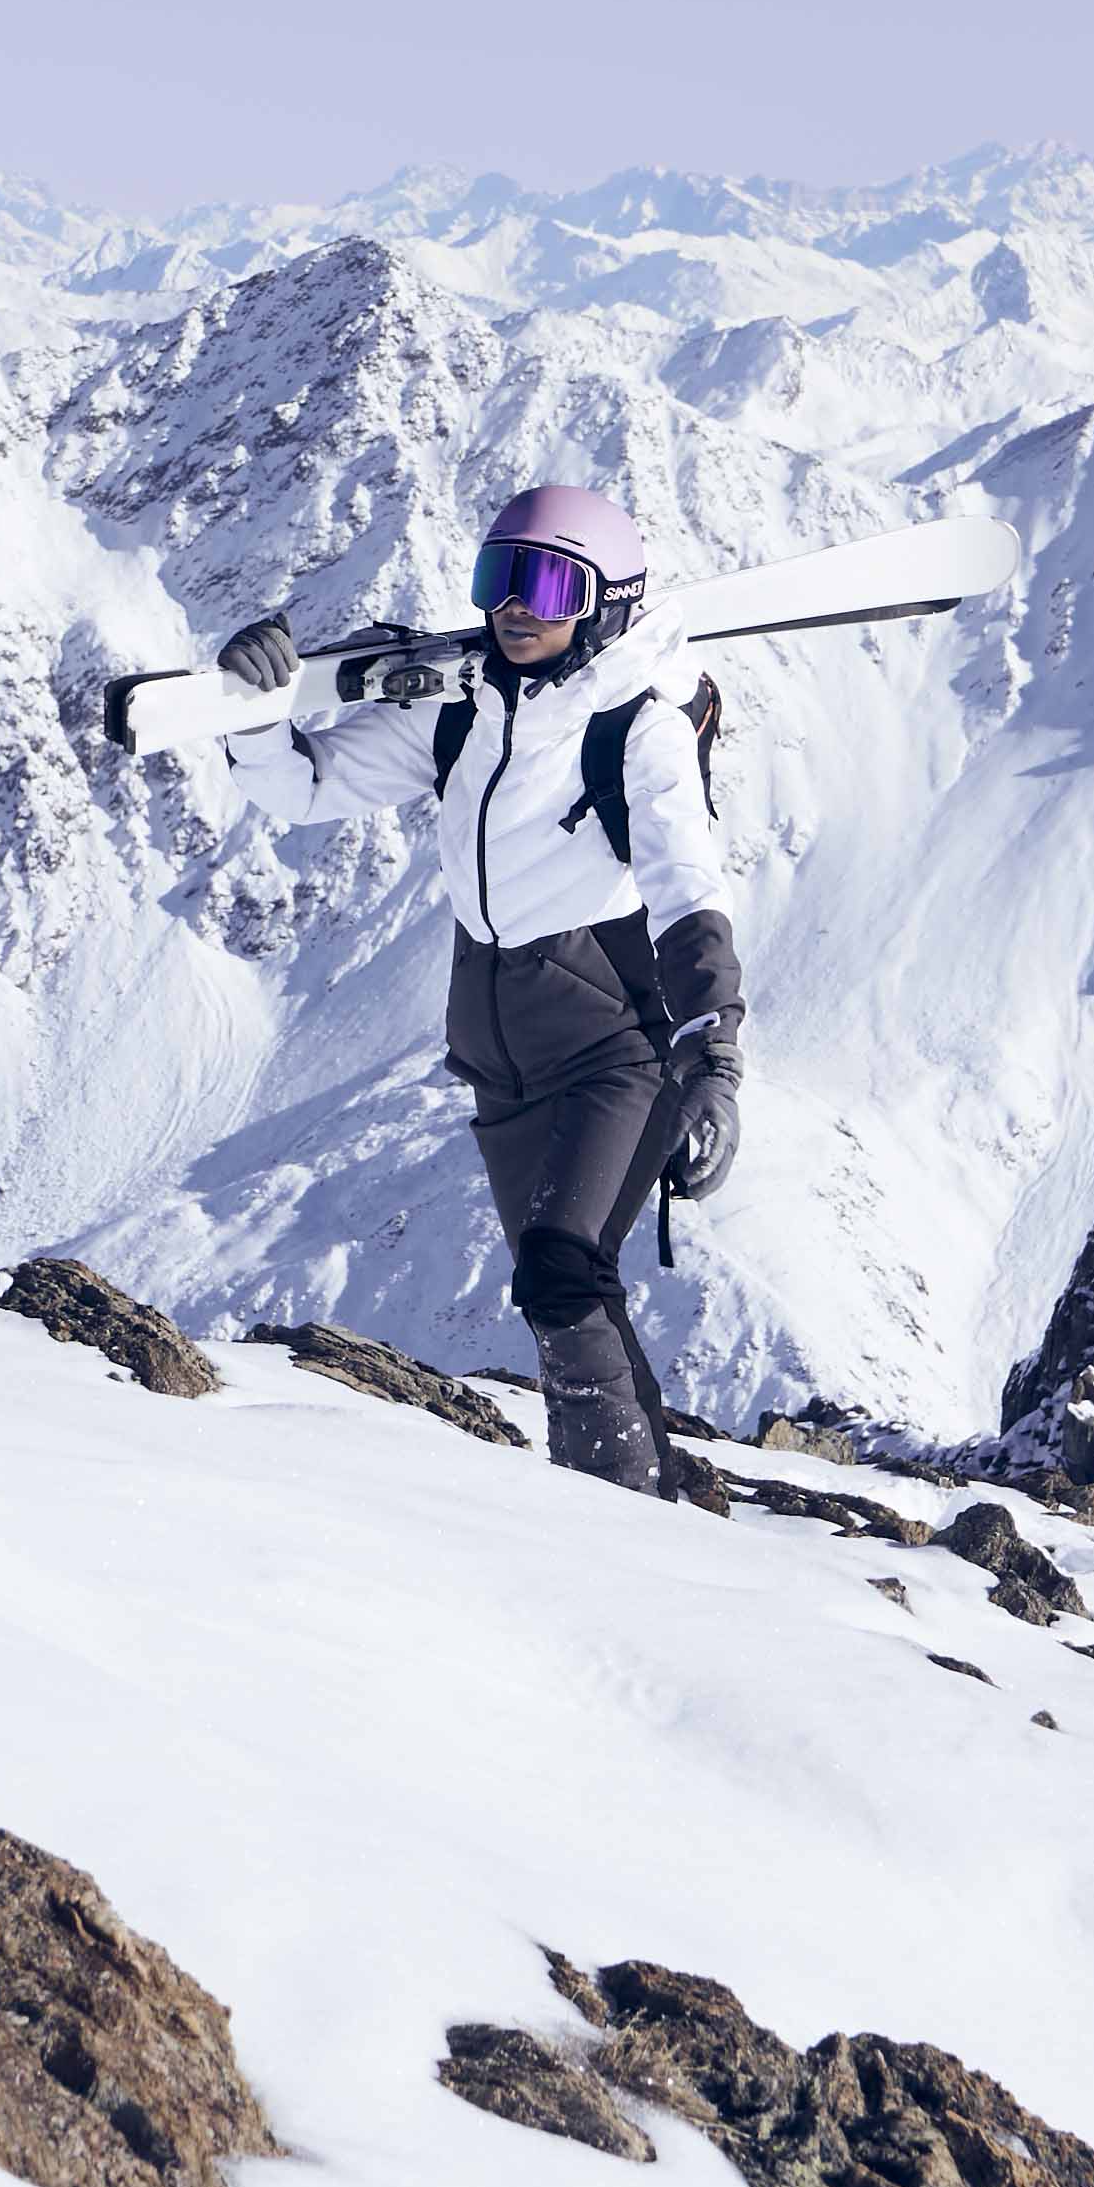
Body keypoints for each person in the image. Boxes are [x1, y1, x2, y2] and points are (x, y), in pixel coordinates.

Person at [200, 484, 742, 1491]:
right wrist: (256, 715)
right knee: (567, 1288)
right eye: (500, 578)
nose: (515, 607)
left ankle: (613, 1511)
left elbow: (686, 888)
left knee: (560, 1270)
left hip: (615, 1046)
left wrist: (711, 1054)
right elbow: (305, 789)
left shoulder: (636, 732)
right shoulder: (464, 714)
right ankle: (645, 1497)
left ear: (607, 603)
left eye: (547, 583)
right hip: (500, 1053)